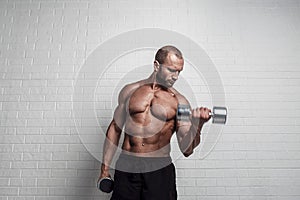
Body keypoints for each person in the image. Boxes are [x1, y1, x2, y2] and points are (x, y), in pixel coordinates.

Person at [98, 45, 211, 200]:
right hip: (127, 165)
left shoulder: (179, 101)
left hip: (159, 169)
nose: (176, 76)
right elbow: (115, 129)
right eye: (172, 70)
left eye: (179, 71)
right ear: (156, 65)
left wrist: (198, 124)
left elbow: (187, 149)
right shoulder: (130, 91)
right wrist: (104, 169)